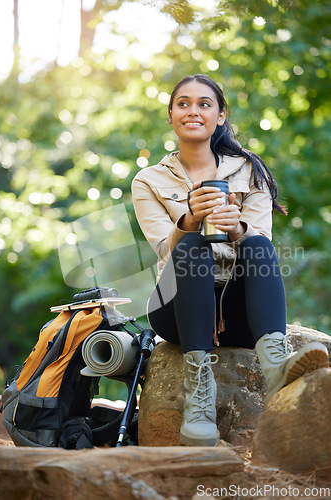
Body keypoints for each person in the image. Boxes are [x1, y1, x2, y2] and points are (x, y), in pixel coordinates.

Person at [131, 74, 329, 446]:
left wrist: (237, 228)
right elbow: (162, 247)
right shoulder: (149, 180)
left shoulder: (248, 170)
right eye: (183, 103)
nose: (193, 111)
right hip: (177, 310)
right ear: (171, 114)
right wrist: (189, 220)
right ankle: (199, 402)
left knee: (257, 246)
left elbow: (263, 248)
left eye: (204, 104)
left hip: (238, 310)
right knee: (189, 245)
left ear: (220, 116)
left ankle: (276, 370)